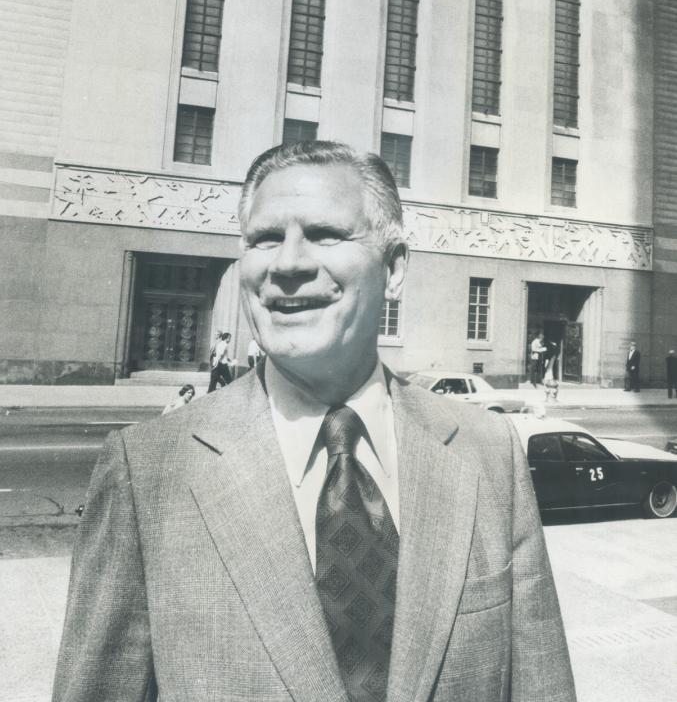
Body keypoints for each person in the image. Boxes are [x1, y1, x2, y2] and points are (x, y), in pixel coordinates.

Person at [53, 140, 576, 702]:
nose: (287, 263)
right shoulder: (147, 470)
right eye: (265, 239)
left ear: (394, 268)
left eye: (325, 234)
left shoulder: (487, 450)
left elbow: (540, 682)